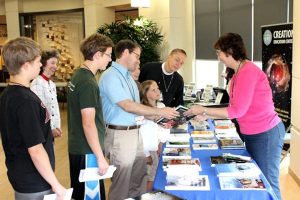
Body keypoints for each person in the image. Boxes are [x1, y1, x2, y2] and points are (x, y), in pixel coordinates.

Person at [184, 33, 285, 200]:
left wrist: (204, 109)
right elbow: (234, 108)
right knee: (258, 180)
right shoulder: (238, 72)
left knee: (268, 183)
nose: (218, 58)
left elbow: (237, 111)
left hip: (265, 133)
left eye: (219, 53)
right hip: (254, 133)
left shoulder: (247, 72)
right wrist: (207, 115)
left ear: (229, 52)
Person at [99, 39, 179, 200]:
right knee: (122, 184)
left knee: (139, 179)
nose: (138, 60)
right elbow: (127, 106)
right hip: (120, 135)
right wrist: (159, 111)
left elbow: (138, 111)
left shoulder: (129, 78)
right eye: (137, 56)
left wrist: (162, 116)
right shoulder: (110, 76)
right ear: (126, 53)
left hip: (135, 133)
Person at [0, 37, 66, 200]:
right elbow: (35, 149)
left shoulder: (8, 94)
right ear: (26, 65)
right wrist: (56, 185)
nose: (40, 65)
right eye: (38, 61)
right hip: (33, 179)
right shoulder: (25, 100)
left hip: (22, 174)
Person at [67, 33, 113, 200]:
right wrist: (100, 158)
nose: (109, 59)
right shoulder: (87, 82)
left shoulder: (79, 74)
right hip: (87, 151)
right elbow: (88, 123)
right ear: (97, 55)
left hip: (79, 147)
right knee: (90, 197)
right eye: (108, 55)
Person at [139, 80, 170, 191]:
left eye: (157, 88)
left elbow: (165, 127)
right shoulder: (141, 110)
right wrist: (146, 154)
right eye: (153, 90)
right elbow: (140, 135)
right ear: (145, 93)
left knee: (155, 176)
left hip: (157, 147)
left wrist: (162, 143)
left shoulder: (161, 106)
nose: (158, 91)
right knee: (149, 179)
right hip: (147, 151)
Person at [31, 50, 62, 138]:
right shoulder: (37, 83)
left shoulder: (52, 84)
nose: (55, 66)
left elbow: (54, 108)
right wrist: (51, 128)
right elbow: (41, 110)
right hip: (42, 131)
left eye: (56, 64)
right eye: (52, 63)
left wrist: (57, 126)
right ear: (43, 64)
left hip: (51, 131)